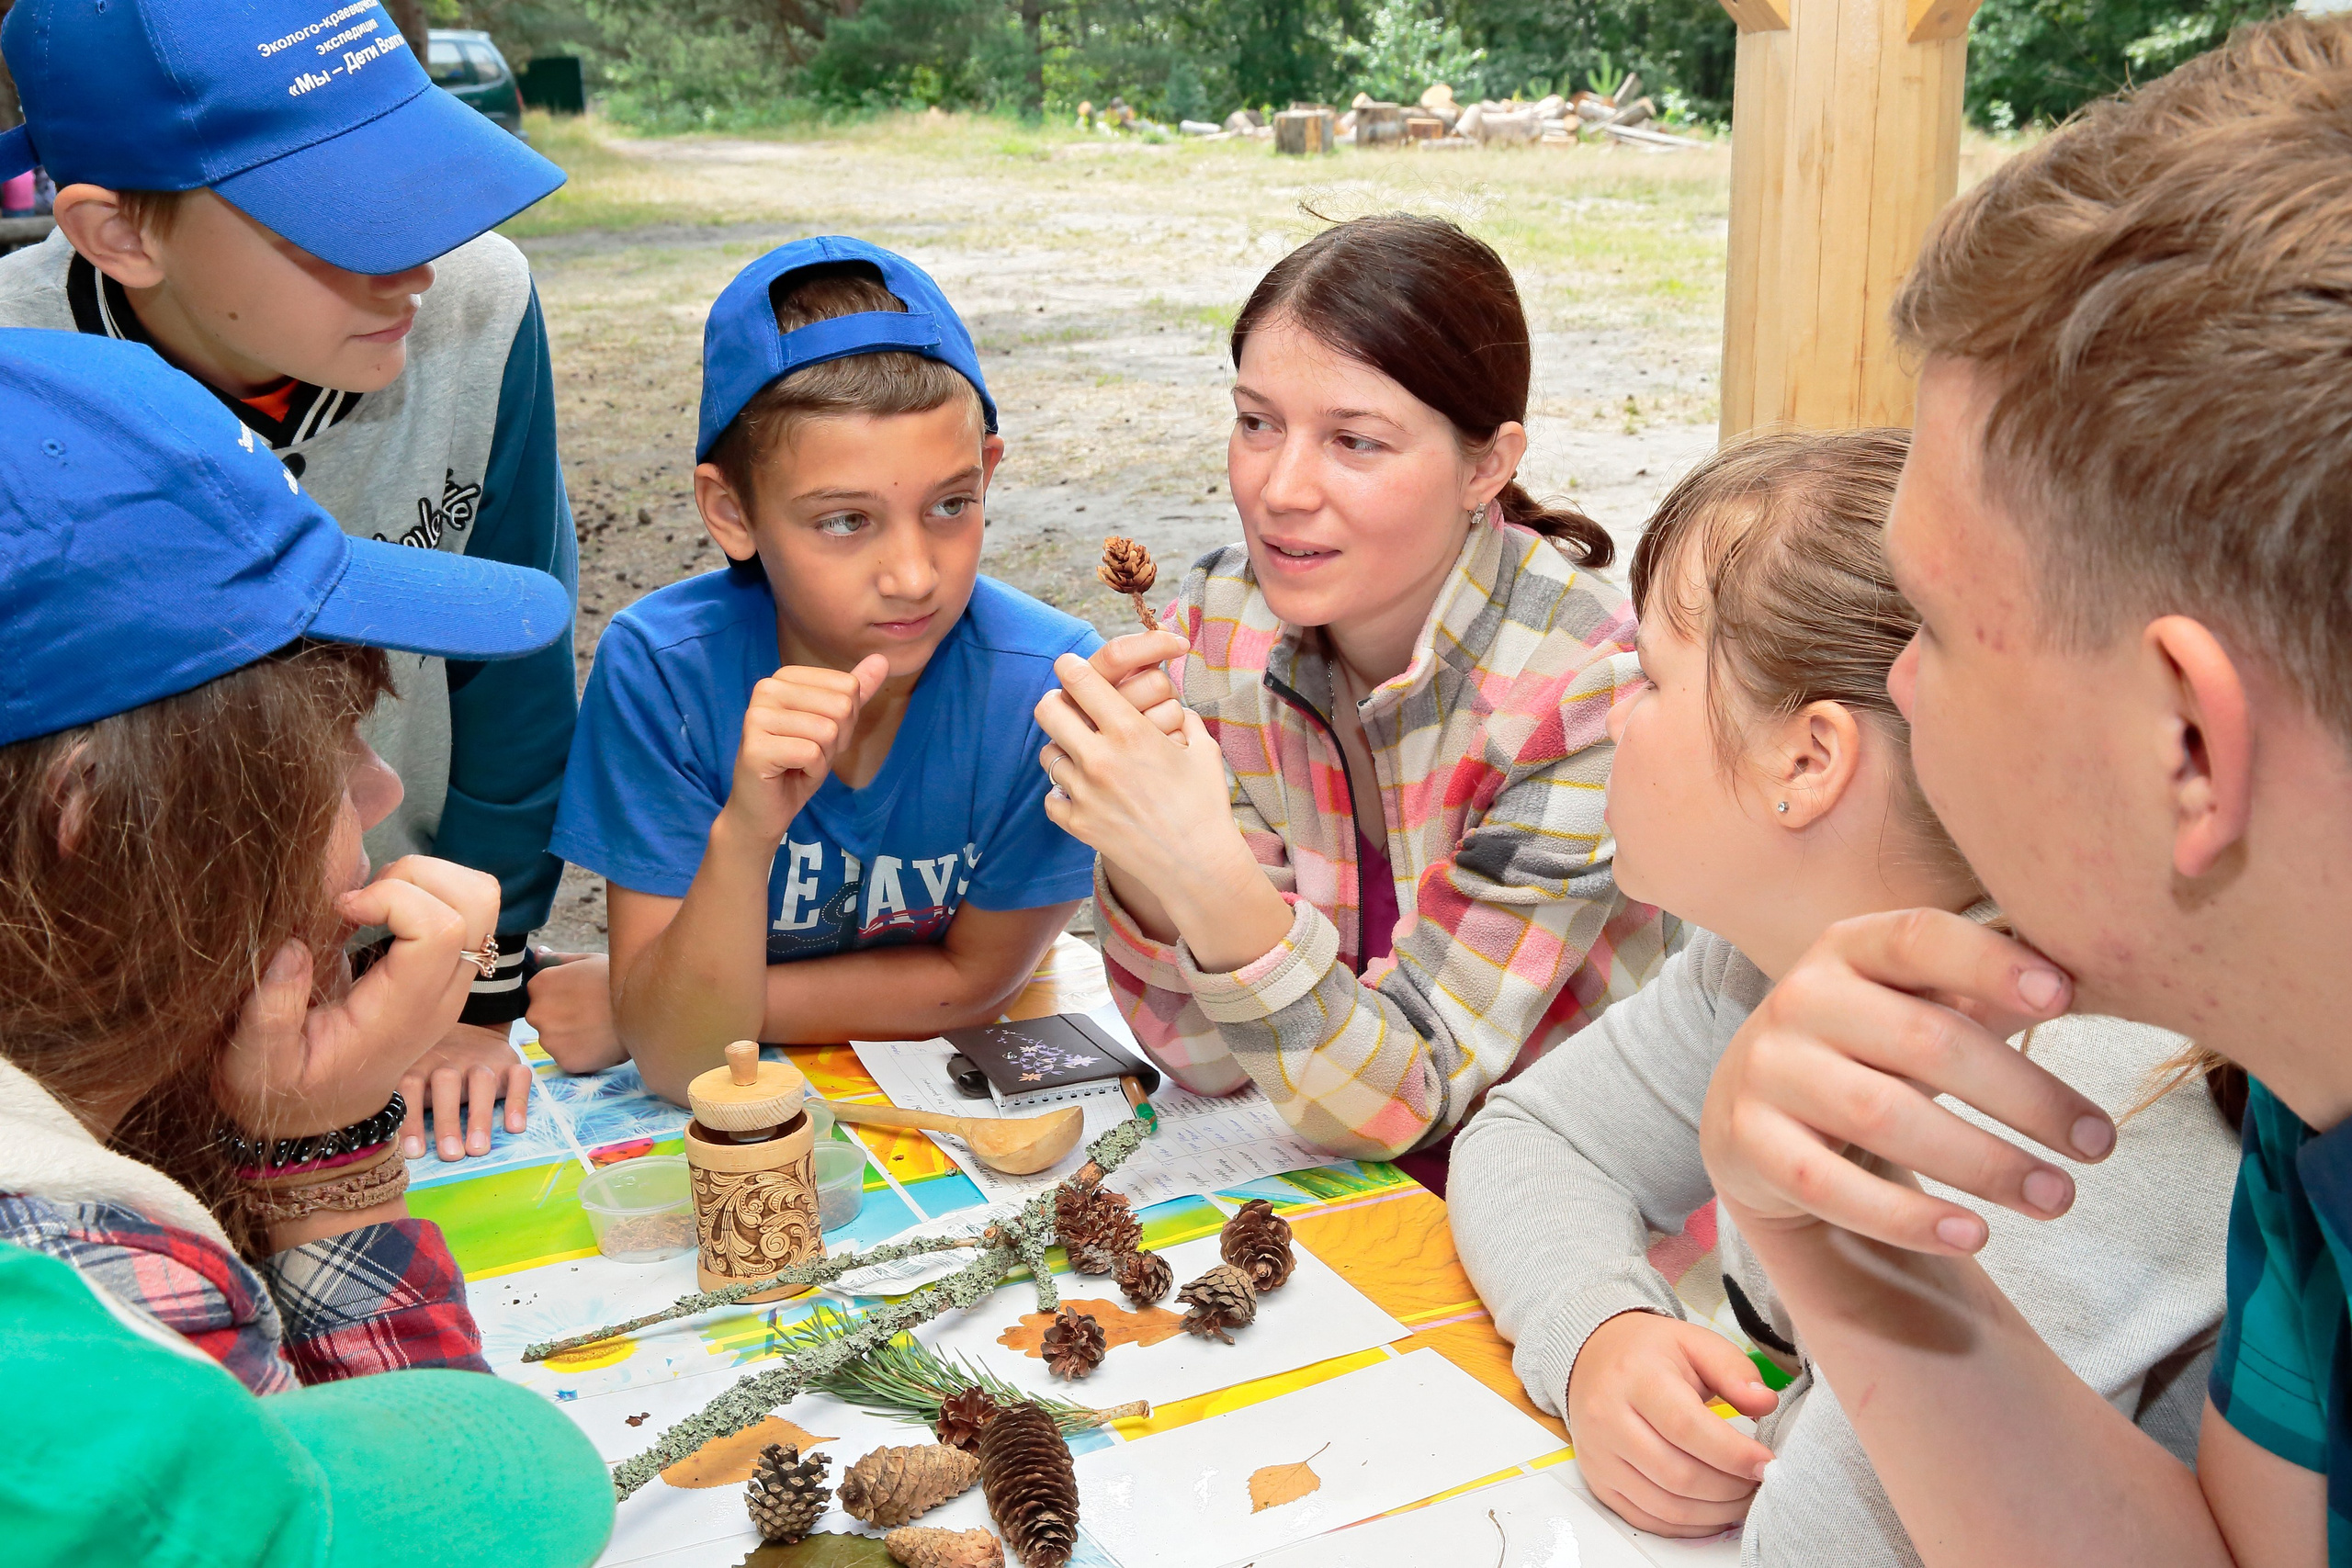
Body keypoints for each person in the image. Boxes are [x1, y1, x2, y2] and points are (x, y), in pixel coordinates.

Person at [1685, 17, 2352, 1566]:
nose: (1898, 682)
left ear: (2188, 741)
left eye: (1932, 625)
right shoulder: (2303, 1088)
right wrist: (1831, 1237)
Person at [1449, 430, 2240, 1564]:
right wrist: (1598, 1330)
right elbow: (1534, 1137)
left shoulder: (2073, 1093)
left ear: (1807, 763)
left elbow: (1827, 1544)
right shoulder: (1763, 962)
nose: (1614, 718)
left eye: (1654, 680)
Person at [0, 329, 611, 1562]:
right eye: (324, 742)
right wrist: (335, 1175)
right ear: (96, 818)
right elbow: (417, 1501)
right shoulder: (98, 1304)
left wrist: (297, 1123)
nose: (382, 787)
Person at [0, 0, 615, 1160]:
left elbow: (514, 657)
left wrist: (477, 991)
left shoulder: (476, 305)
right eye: (334, 220)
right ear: (119, 232)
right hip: (112, 1005)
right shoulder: (19, 379)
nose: (416, 265)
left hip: (411, 931)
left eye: (416, 183)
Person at [1032, 214, 1673, 1178]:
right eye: (1257, 423)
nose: (1281, 489)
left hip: (1575, 1208)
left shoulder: (1585, 694)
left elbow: (1403, 1103)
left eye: (1355, 442)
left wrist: (1196, 861)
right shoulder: (1220, 624)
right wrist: (1136, 853)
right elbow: (1202, 1060)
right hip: (1333, 1181)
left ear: (1487, 464)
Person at [551, 237, 1182, 1104]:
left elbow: (974, 985)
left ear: (989, 473)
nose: (915, 575)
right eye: (846, 520)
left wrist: (653, 1003)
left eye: (950, 505)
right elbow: (680, 1069)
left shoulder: (1045, 690)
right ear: (731, 512)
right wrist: (745, 833)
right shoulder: (665, 674)